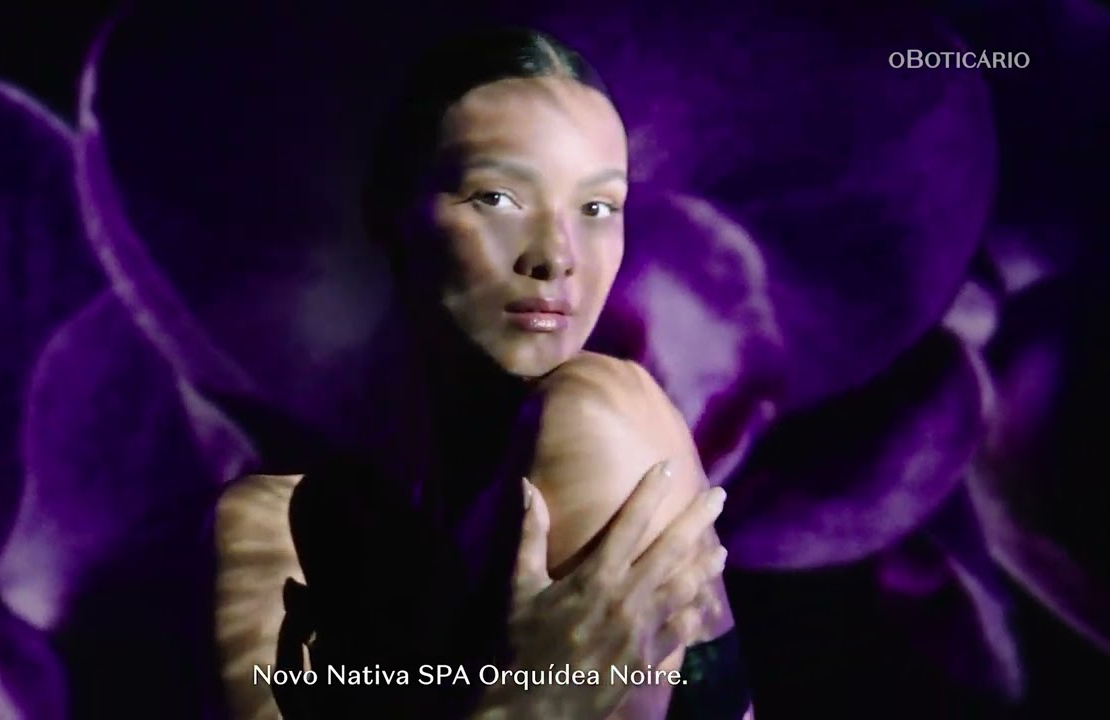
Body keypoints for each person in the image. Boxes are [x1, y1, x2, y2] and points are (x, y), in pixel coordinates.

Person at [214, 25, 754, 720]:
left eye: (597, 209)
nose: (556, 256)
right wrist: (529, 704)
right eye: (498, 197)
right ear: (390, 211)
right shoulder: (278, 527)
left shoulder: (593, 419)